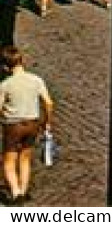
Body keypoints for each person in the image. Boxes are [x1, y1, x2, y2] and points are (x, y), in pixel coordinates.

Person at [0, 47, 52, 204]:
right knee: (25, 158)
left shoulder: (5, 84)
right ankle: (23, 190)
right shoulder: (36, 80)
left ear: (5, 67)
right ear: (22, 61)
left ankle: (15, 192)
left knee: (9, 159)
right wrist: (47, 121)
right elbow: (49, 102)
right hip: (32, 123)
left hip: (13, 126)